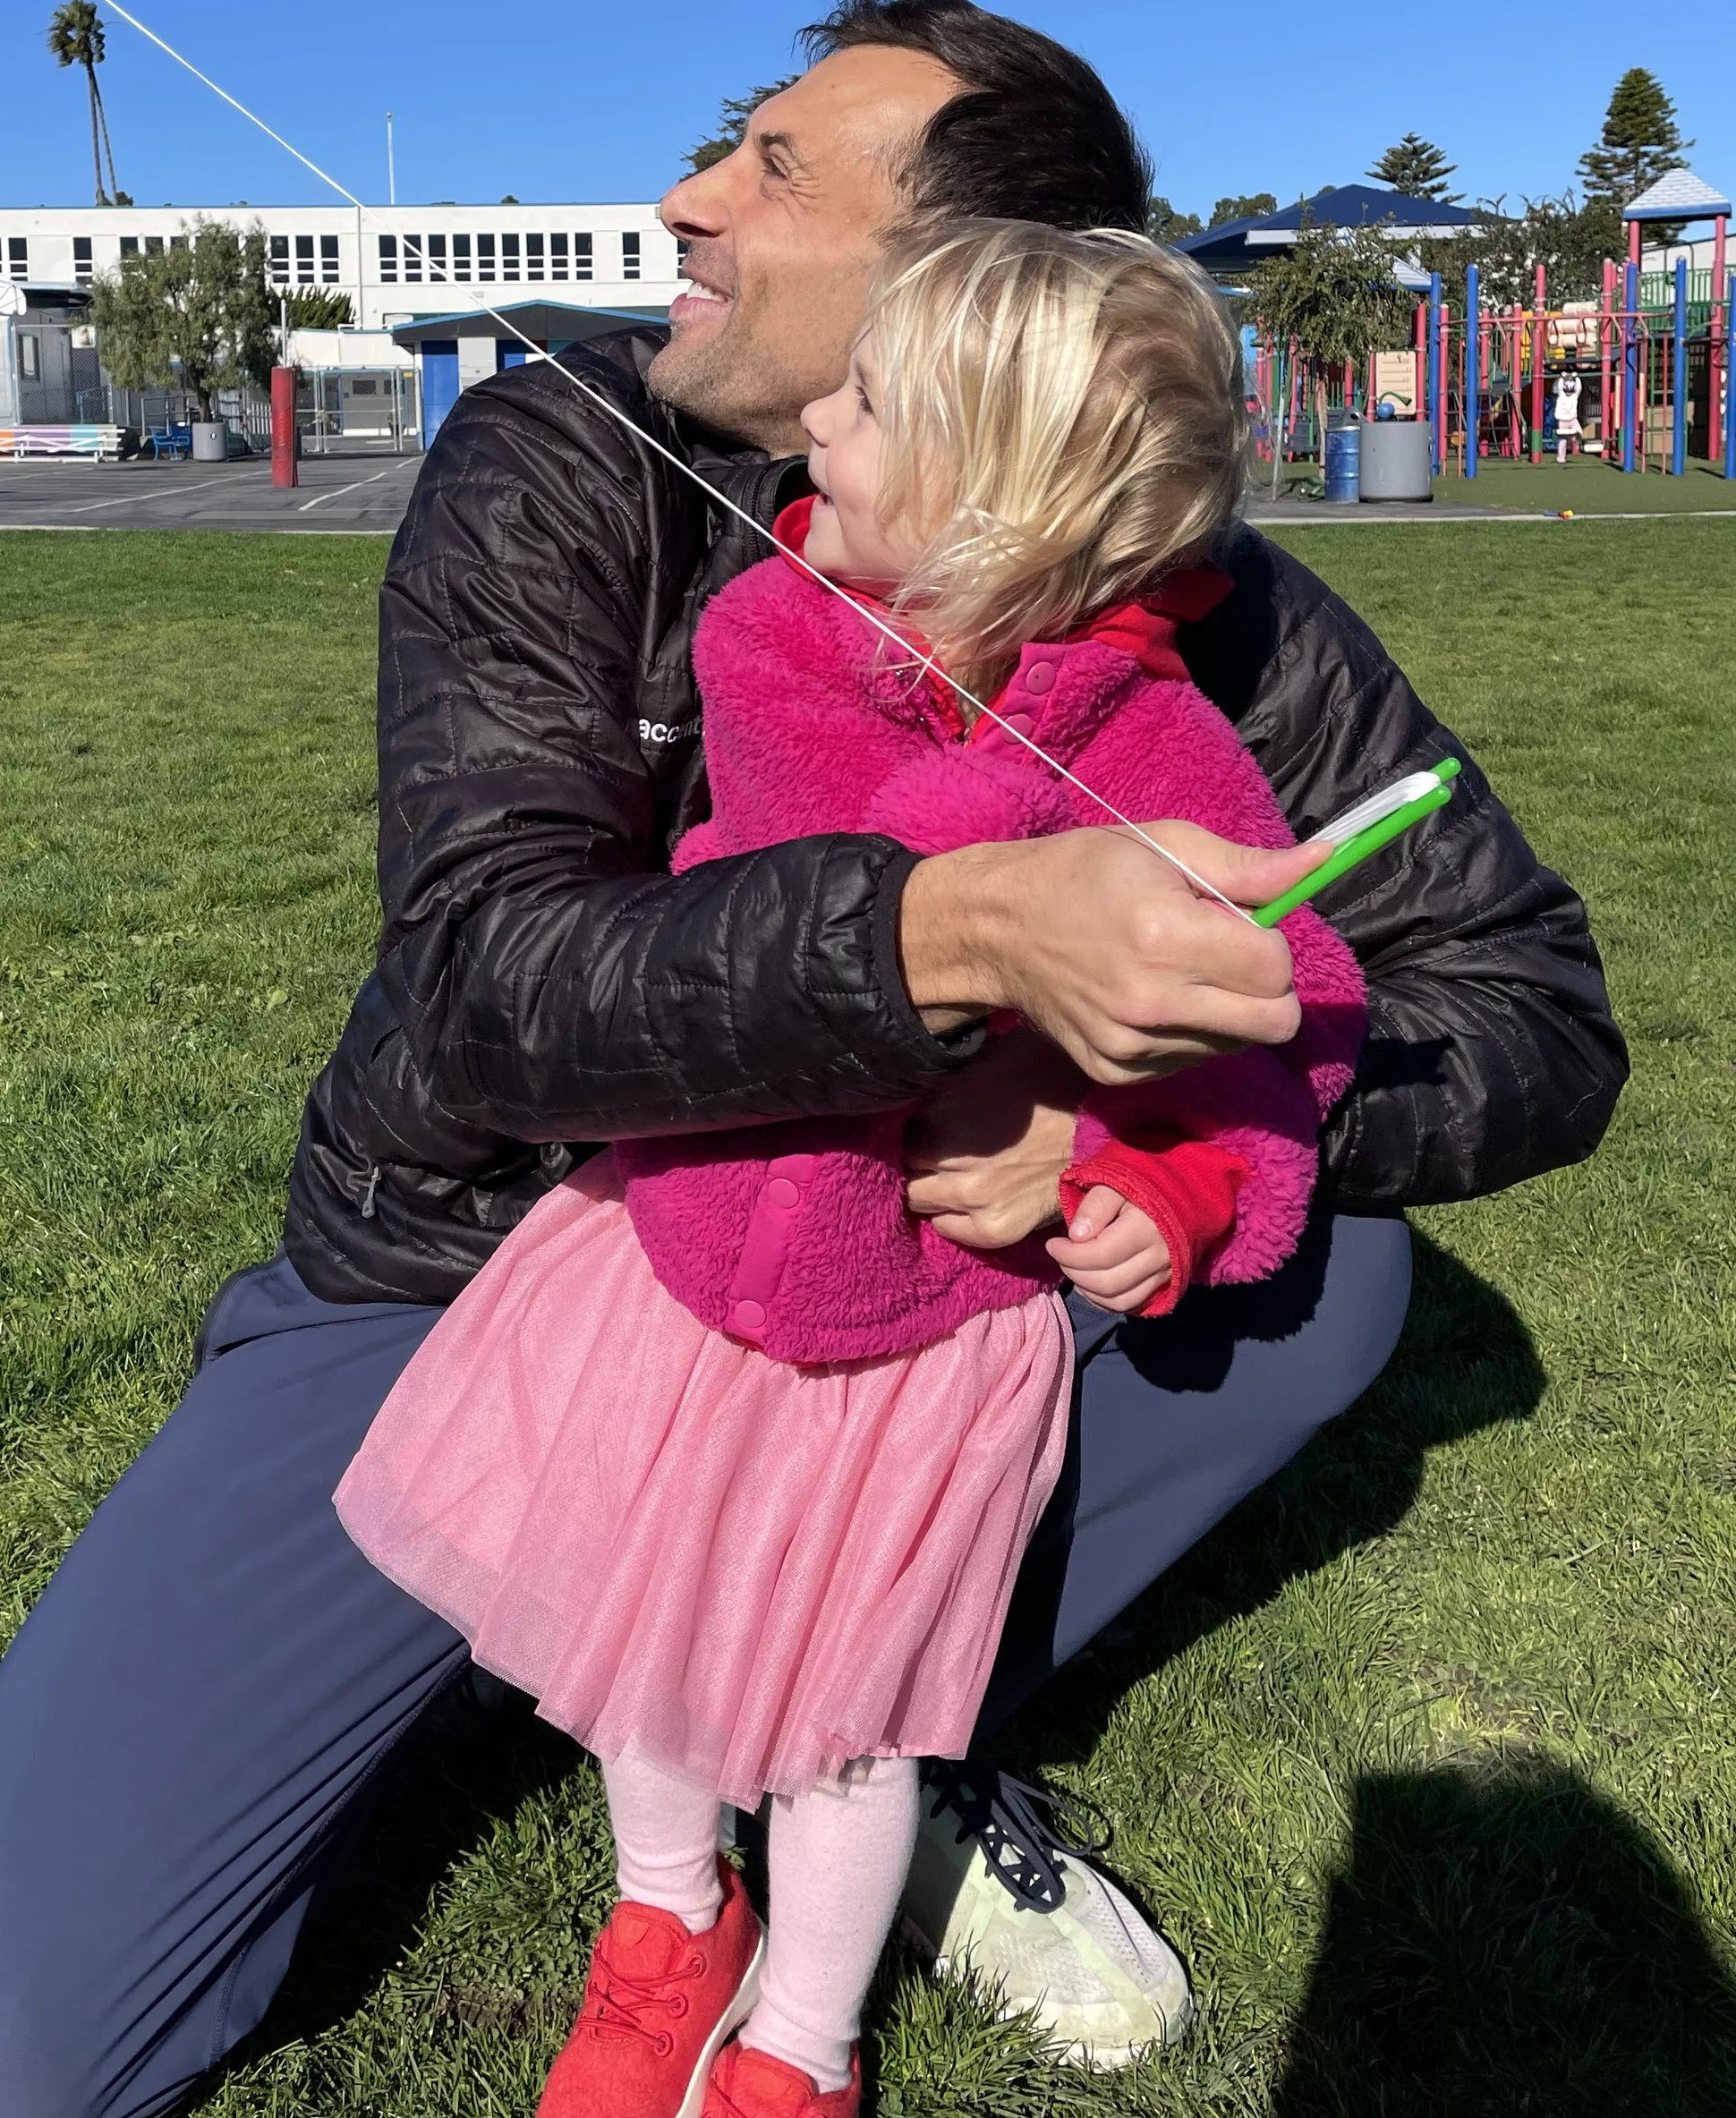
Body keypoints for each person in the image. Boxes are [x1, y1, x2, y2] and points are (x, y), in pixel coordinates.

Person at [0, 0, 1626, 2118]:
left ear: (980, 301)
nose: (685, 198)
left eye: (776, 170)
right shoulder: (560, 458)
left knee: (1332, 1266)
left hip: (901, 1320)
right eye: (730, 147)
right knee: (15, 2063)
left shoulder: (1186, 593)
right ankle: (643, 1700)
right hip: (469, 1272)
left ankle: (879, 1735)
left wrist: (1142, 1122)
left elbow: (1531, 1003)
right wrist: (958, 940)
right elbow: (487, 989)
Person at [334, 222, 1369, 2116]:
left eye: (870, 401)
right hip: (679, 1265)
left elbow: (1281, 1007)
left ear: (997, 505)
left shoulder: (1157, 746)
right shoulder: (767, 628)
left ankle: (798, 2044)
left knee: (841, 1720)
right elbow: (709, 914)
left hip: (914, 1337)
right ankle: (664, 1919)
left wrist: (1166, 1175)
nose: (811, 414)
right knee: (632, 1630)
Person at [1553, 357, 1586, 459]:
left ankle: (1578, 445)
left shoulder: (1574, 396)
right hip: (1562, 420)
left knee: (1580, 432)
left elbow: (1579, 388)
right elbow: (1559, 387)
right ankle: (1561, 457)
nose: (1568, 392)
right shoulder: (1561, 395)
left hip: (1572, 419)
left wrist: (1576, 377)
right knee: (1562, 439)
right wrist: (1562, 378)